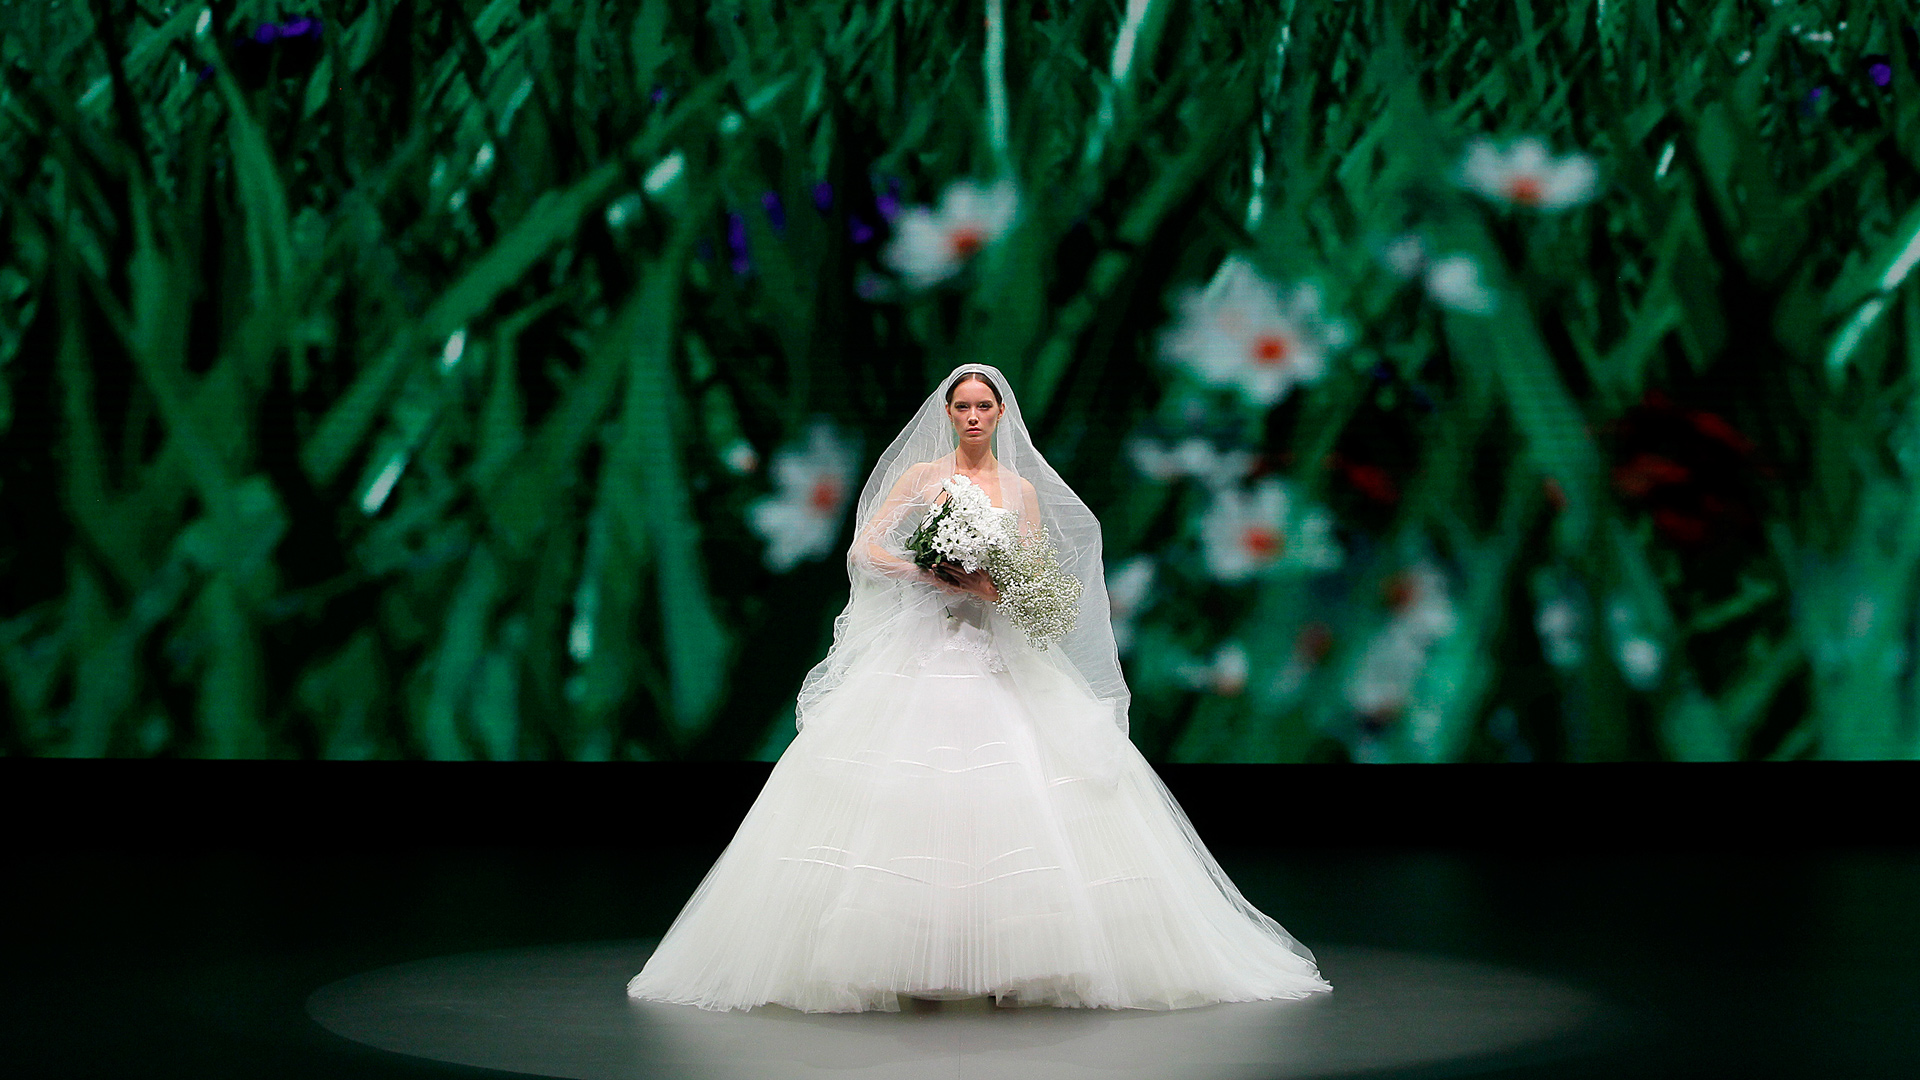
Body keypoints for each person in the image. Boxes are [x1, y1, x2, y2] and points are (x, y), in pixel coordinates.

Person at [627, 364, 1331, 1013]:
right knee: (914, 799)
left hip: (995, 655)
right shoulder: (923, 477)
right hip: (924, 652)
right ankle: (905, 960)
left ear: (999, 413)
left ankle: (1011, 963)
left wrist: (995, 581)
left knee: (1012, 795)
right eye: (961, 405)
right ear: (948, 412)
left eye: (982, 405)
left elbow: (1035, 581)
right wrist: (926, 571)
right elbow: (864, 548)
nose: (971, 416)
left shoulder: (1018, 490)